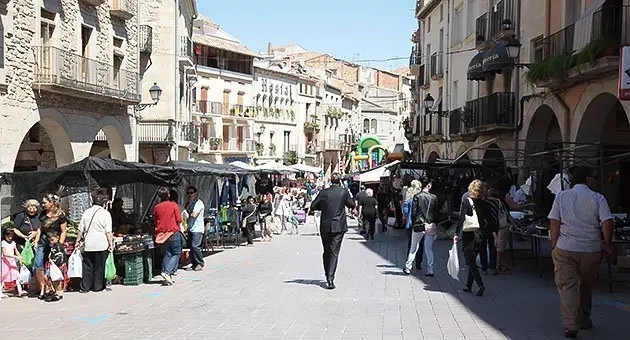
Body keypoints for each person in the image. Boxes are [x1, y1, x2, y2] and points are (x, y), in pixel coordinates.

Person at [548, 166, 614, 338]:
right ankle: (584, 319)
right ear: (588, 180)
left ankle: (571, 325)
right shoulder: (597, 198)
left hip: (565, 247)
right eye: (595, 178)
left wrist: (554, 244)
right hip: (590, 249)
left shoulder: (561, 196)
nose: (596, 181)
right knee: (586, 284)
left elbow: (554, 222)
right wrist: (608, 245)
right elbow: (607, 223)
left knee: (567, 286)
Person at [308, 173, 356, 290]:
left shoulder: (323, 192)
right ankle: (330, 278)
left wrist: (324, 207)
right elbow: (351, 204)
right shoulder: (343, 192)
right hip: (338, 226)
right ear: (339, 181)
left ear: (330, 181)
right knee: (334, 252)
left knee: (326, 250)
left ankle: (327, 274)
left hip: (325, 225)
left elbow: (313, 205)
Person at [455, 180, 497, 297]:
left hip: (469, 234)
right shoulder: (486, 204)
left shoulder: (466, 201)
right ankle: (468, 285)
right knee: (472, 260)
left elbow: (461, 218)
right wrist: (494, 235)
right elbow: (491, 221)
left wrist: (456, 233)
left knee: (470, 261)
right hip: (481, 235)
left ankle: (480, 284)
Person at [75, 189, 114, 293]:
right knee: (99, 266)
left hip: (89, 244)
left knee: (87, 266)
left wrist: (77, 241)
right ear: (103, 202)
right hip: (101, 243)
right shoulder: (105, 213)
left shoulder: (86, 212)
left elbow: (80, 229)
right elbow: (108, 231)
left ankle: (85, 287)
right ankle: (98, 287)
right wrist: (111, 244)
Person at [34, 194, 67, 300]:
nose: (43, 204)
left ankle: (56, 289)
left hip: (54, 243)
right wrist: (36, 240)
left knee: (54, 266)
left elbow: (63, 231)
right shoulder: (42, 214)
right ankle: (43, 288)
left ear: (52, 203)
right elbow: (39, 228)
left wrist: (59, 245)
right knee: (38, 264)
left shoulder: (61, 215)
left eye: (45, 202)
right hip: (43, 242)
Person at [407, 179, 439, 277]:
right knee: (429, 249)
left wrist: (414, 224)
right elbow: (436, 213)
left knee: (413, 247)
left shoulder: (417, 196)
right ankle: (430, 270)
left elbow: (414, 212)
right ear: (429, 185)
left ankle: (408, 267)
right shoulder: (434, 197)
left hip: (419, 225)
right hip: (430, 225)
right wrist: (435, 223)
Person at [153, 187, 183, 286]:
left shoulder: (156, 207)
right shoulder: (174, 205)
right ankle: (167, 272)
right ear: (168, 195)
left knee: (167, 253)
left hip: (162, 234)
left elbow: (155, 220)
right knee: (176, 253)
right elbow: (179, 219)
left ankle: (166, 274)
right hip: (173, 231)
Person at [488, 188, 515, 273]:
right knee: (500, 246)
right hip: (502, 226)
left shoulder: (486, 202)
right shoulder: (499, 202)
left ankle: (494, 264)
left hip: (491, 226)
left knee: (493, 245)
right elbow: (507, 215)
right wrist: (514, 224)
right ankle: (498, 264)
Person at [403, 180, 423, 270]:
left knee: (411, 244)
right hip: (420, 224)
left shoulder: (408, 197)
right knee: (420, 243)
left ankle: (409, 262)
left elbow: (405, 211)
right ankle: (418, 263)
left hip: (410, 224)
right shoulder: (421, 197)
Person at [184, 186, 205, 271]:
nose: (190, 195)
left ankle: (200, 263)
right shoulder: (190, 203)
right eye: (188, 193)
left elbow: (194, 215)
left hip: (197, 228)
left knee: (195, 246)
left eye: (191, 193)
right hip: (191, 228)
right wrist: (188, 203)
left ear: (196, 193)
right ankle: (193, 263)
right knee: (191, 247)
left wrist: (187, 214)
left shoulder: (199, 203)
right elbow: (184, 209)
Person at [1, 228, 27, 297]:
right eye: (8, 236)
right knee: (3, 277)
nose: (10, 238)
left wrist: (20, 257)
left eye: (11, 236)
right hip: (5, 262)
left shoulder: (13, 243)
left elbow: (16, 251)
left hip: (12, 262)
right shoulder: (3, 243)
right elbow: (5, 253)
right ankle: (0, 292)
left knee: (17, 276)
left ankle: (20, 291)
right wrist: (15, 257)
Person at [46, 230, 67, 302]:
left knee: (58, 279)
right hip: (54, 265)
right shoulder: (53, 246)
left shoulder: (58, 246)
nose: (51, 242)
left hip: (58, 265)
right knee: (54, 279)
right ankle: (56, 291)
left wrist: (56, 263)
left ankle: (59, 292)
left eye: (52, 240)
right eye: (50, 240)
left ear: (57, 238)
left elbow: (60, 256)